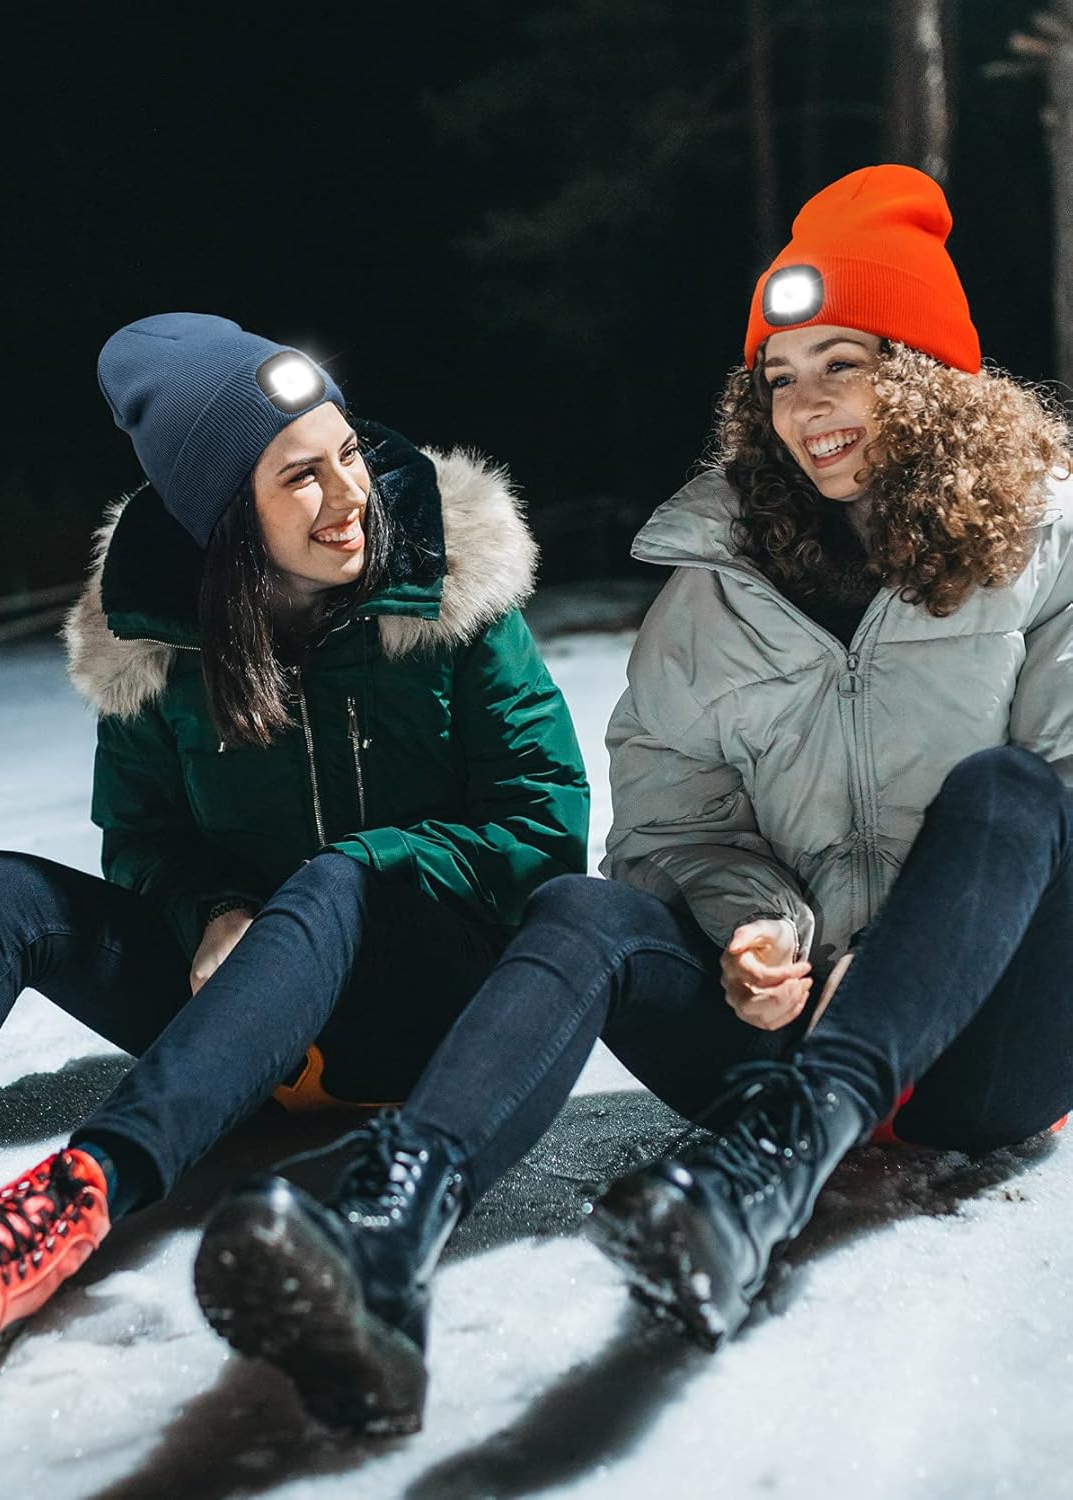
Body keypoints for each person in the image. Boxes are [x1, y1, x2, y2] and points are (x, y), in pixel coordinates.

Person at [189, 163, 1073, 1429]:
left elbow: (1052, 813)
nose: (807, 408)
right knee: (585, 908)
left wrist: (874, 967)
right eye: (780, 378)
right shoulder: (711, 593)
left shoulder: (1047, 544)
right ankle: (391, 1218)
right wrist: (756, 925)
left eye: (845, 364)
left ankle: (780, 1160)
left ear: (928, 375)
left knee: (1011, 788)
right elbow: (669, 829)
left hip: (991, 1054)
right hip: (772, 1042)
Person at [0, 313, 589, 1422]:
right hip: (227, 1016)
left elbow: (542, 823)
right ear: (223, 515)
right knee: (2, 889)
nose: (349, 495)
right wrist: (216, 911)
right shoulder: (153, 635)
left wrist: (359, 873)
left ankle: (79, 1195)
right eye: (300, 477)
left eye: (348, 455)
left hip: (417, 1006)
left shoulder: (447, 592)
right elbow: (143, 838)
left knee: (339, 878)